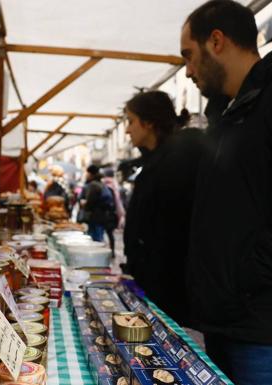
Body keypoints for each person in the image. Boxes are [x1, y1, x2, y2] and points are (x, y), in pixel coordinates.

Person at [181, 1, 272, 383]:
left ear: (217, 41)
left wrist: (242, 279)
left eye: (189, 56)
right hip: (228, 324)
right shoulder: (225, 115)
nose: (189, 71)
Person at [121, 91, 206, 327]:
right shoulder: (156, 159)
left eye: (130, 121)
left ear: (148, 123)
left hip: (170, 290)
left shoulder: (177, 159)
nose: (127, 130)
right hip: (155, 286)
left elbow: (171, 228)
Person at [79, 165, 114, 242]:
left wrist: (84, 203)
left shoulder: (93, 185)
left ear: (90, 174)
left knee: (95, 241)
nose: (86, 175)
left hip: (94, 217)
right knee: (98, 238)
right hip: (101, 216)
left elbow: (90, 203)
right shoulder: (100, 183)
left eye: (87, 173)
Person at [101, 167, 125, 256]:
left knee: (104, 233)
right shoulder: (116, 185)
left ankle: (105, 252)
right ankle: (112, 251)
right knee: (110, 233)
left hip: (106, 213)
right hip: (114, 213)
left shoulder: (105, 185)